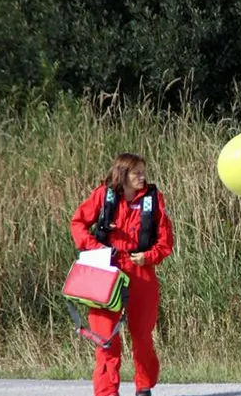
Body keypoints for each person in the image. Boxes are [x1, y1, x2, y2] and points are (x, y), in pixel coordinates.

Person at [70, 153, 174, 396]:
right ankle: (107, 392)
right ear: (122, 174)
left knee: (142, 335)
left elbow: (166, 240)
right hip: (105, 272)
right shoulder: (103, 196)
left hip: (141, 272)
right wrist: (98, 249)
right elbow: (77, 224)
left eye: (143, 171)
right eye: (136, 172)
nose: (142, 176)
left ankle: (144, 387)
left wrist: (149, 256)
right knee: (104, 337)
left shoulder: (153, 198)